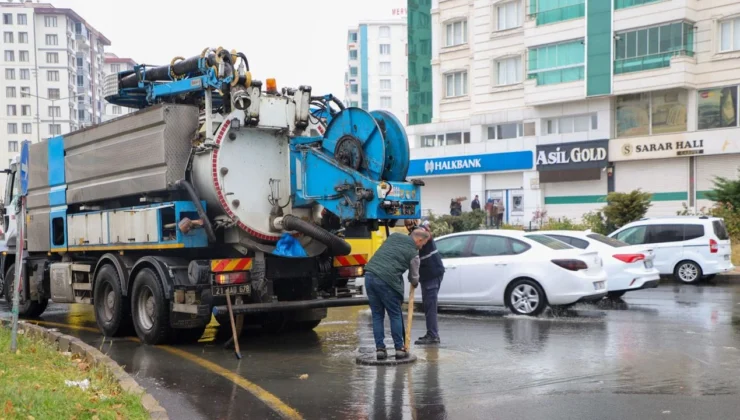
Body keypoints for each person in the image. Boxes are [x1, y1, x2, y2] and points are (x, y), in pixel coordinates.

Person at [364, 229, 431, 360]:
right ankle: (399, 348)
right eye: (423, 244)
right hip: (386, 281)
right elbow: (414, 278)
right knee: (395, 314)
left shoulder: (394, 236)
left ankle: (380, 349)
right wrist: (414, 282)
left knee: (377, 315)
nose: (422, 247)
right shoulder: (414, 254)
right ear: (419, 240)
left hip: (369, 275)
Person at [404, 220, 445, 345]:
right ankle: (431, 333)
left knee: (430, 306)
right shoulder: (412, 236)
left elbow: (426, 234)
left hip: (431, 273)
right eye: (406, 224)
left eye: (409, 223)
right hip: (428, 274)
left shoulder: (421, 230)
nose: (408, 226)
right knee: (428, 305)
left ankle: (433, 335)